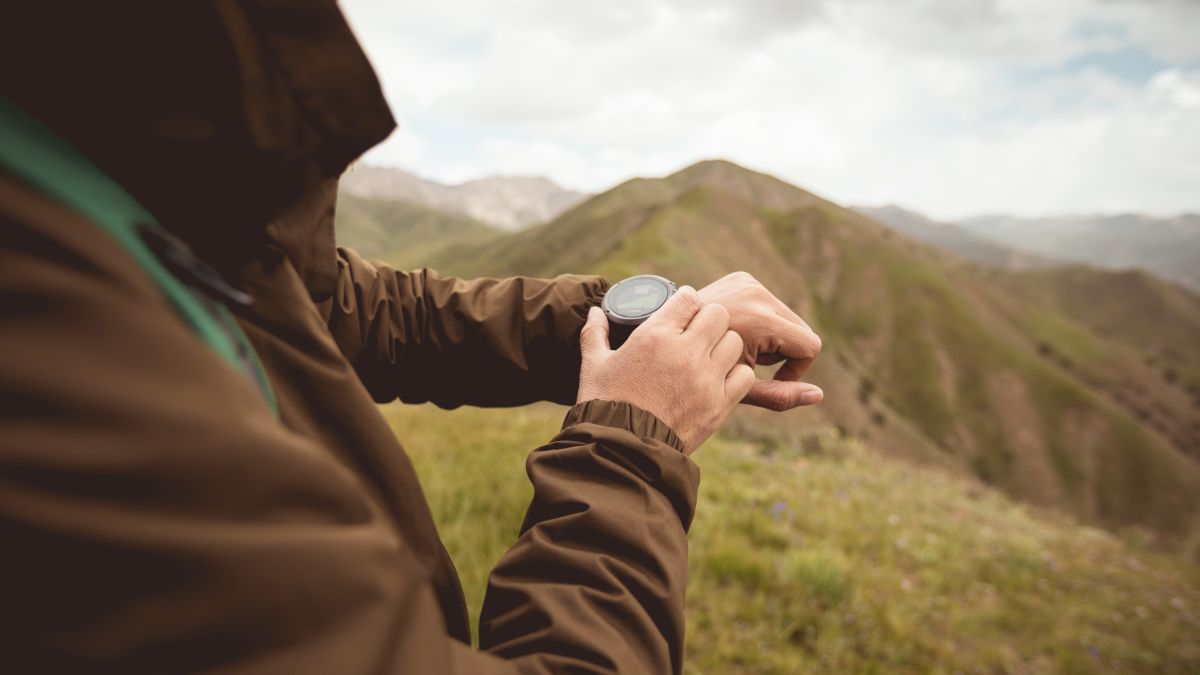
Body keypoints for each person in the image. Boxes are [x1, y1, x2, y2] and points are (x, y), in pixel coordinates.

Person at [0, 2, 822, 673]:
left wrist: (631, 316)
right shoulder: (46, 350)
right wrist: (630, 445)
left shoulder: (96, 114)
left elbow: (340, 308)